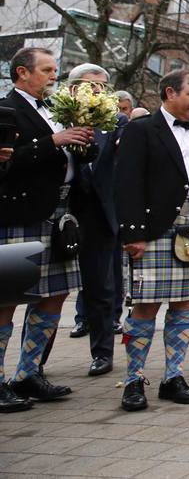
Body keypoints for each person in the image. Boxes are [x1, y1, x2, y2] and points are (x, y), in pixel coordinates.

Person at [115, 70, 189, 411]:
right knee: (145, 307)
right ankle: (134, 380)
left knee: (186, 305)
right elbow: (127, 182)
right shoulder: (141, 130)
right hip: (156, 229)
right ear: (169, 92)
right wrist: (134, 234)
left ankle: (173, 376)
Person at [0, 47, 94, 412]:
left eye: (55, 69)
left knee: (53, 298)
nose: (54, 75)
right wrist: (52, 141)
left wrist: (84, 145)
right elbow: (7, 164)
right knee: (7, 301)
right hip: (21, 215)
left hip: (61, 215)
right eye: (46, 70)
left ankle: (29, 372)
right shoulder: (6, 110)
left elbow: (72, 157)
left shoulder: (56, 109)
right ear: (22, 73)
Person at [57, 63, 125, 378]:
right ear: (73, 89)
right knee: (47, 292)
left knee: (101, 290)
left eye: (102, 87)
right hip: (60, 216)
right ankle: (35, 364)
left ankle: (102, 354)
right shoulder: (56, 121)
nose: (97, 91)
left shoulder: (115, 124)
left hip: (100, 216)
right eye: (90, 85)